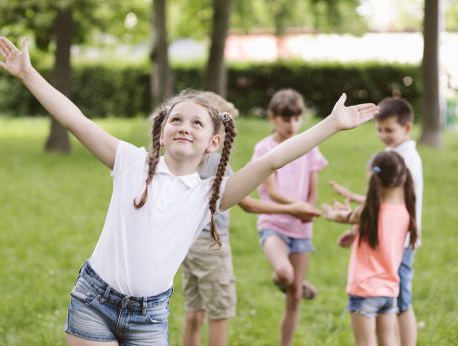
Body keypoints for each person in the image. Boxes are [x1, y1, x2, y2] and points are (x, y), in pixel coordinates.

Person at [0, 37, 379, 346]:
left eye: (197, 123)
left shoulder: (210, 194)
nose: (184, 126)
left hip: (149, 317)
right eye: (176, 118)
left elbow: (272, 161)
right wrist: (28, 75)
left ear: (213, 143)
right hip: (94, 302)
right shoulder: (130, 162)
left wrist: (330, 125)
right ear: (162, 131)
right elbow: (74, 119)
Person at [181, 92, 321, 346]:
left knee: (194, 314)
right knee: (219, 315)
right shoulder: (213, 162)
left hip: (187, 244)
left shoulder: (185, 158)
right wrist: (292, 209)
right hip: (211, 246)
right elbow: (247, 204)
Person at [330, 98, 422, 346]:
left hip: (397, 246)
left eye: (389, 129)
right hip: (394, 239)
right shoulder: (393, 157)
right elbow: (384, 205)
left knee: (404, 303)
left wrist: (344, 214)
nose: (383, 135)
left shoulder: (405, 159)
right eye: (379, 129)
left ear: (407, 128)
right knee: (396, 305)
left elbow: (382, 206)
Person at [251, 89, 328, 346]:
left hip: (301, 229)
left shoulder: (308, 146)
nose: (292, 125)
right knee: (285, 273)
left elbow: (313, 187)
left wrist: (309, 209)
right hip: (274, 224)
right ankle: (287, 279)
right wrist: (296, 206)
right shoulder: (265, 147)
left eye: (297, 119)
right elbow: (271, 190)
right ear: (273, 117)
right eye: (286, 119)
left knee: (294, 297)